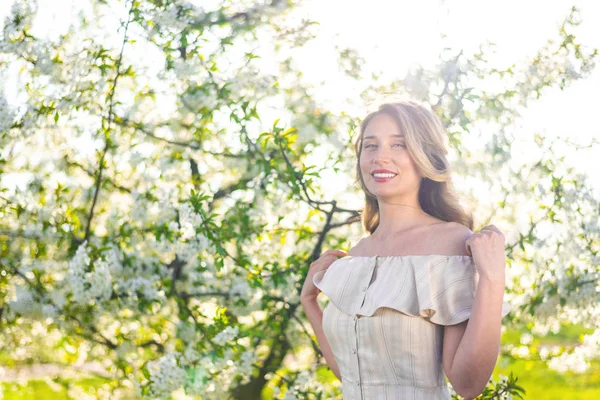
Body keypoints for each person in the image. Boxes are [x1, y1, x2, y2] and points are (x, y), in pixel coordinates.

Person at [301, 101, 511, 400]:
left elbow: (468, 384)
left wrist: (493, 279)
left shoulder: (450, 244)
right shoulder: (357, 253)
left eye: (398, 144)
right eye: (370, 146)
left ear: (425, 157)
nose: (380, 157)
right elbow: (350, 373)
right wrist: (309, 301)